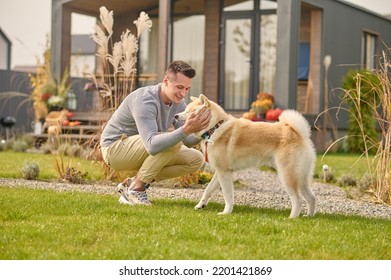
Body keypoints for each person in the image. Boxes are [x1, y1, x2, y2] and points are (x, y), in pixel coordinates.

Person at [100, 60, 211, 205]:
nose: (183, 93)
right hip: (115, 149)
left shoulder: (178, 103)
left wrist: (204, 129)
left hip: (140, 148)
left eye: (187, 89)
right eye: (179, 87)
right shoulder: (145, 100)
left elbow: (188, 141)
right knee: (172, 143)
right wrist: (186, 129)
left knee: (195, 159)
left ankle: (132, 184)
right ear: (166, 81)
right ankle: (135, 190)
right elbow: (152, 145)